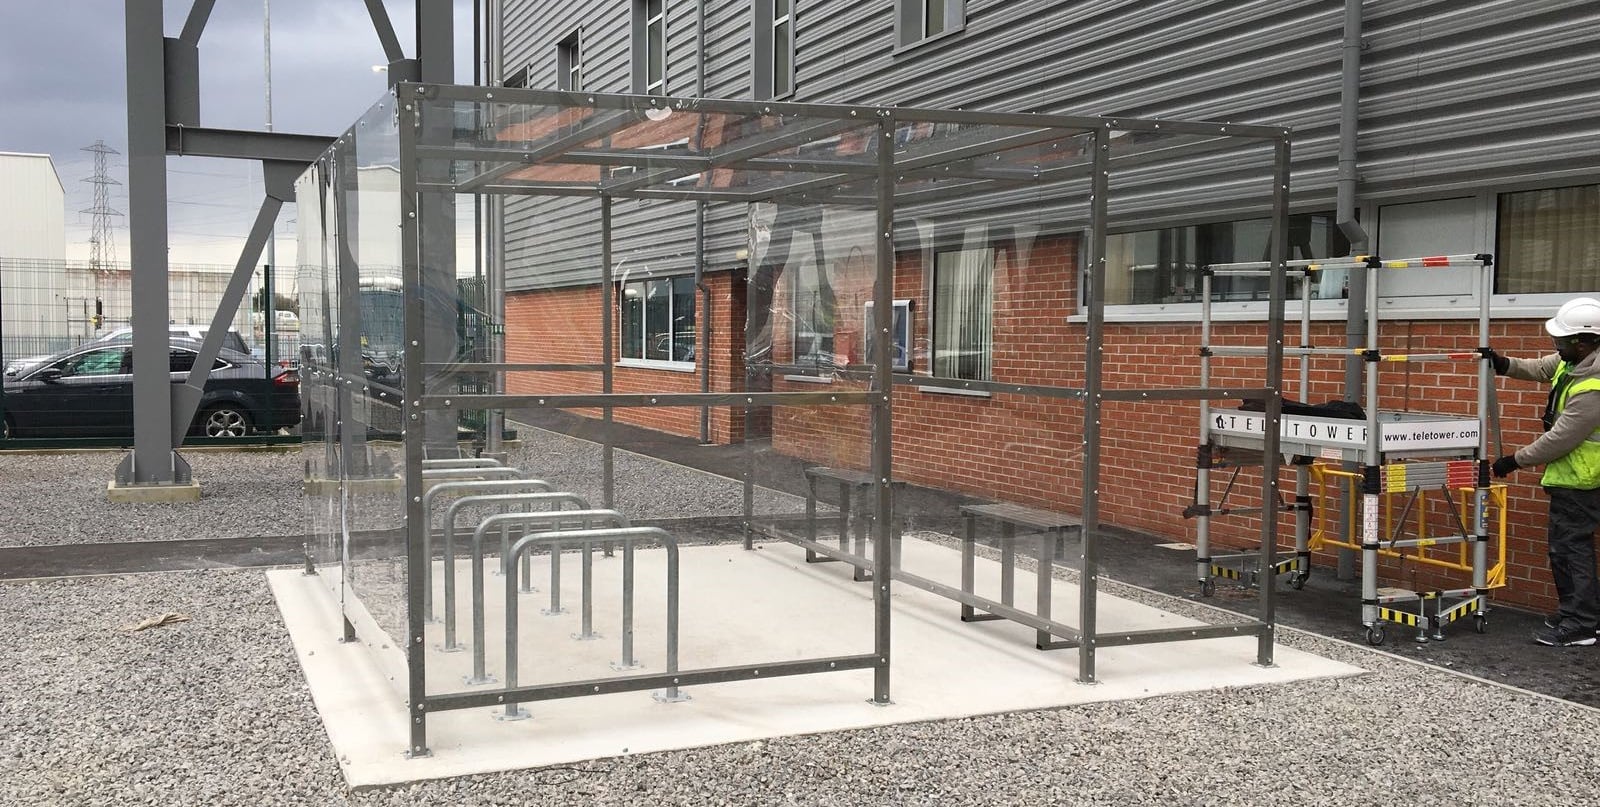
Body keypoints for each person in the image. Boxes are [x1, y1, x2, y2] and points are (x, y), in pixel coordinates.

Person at [1488, 296, 1600, 647]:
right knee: (1564, 549)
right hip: (1569, 477)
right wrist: (1502, 363)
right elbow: (1539, 368)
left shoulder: (1594, 388)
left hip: (1582, 480)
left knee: (1572, 550)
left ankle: (1582, 623)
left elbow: (1560, 439)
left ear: (1583, 342)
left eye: (1561, 340)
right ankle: (1574, 614)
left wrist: (1513, 461)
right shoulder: (1574, 362)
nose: (1556, 345)